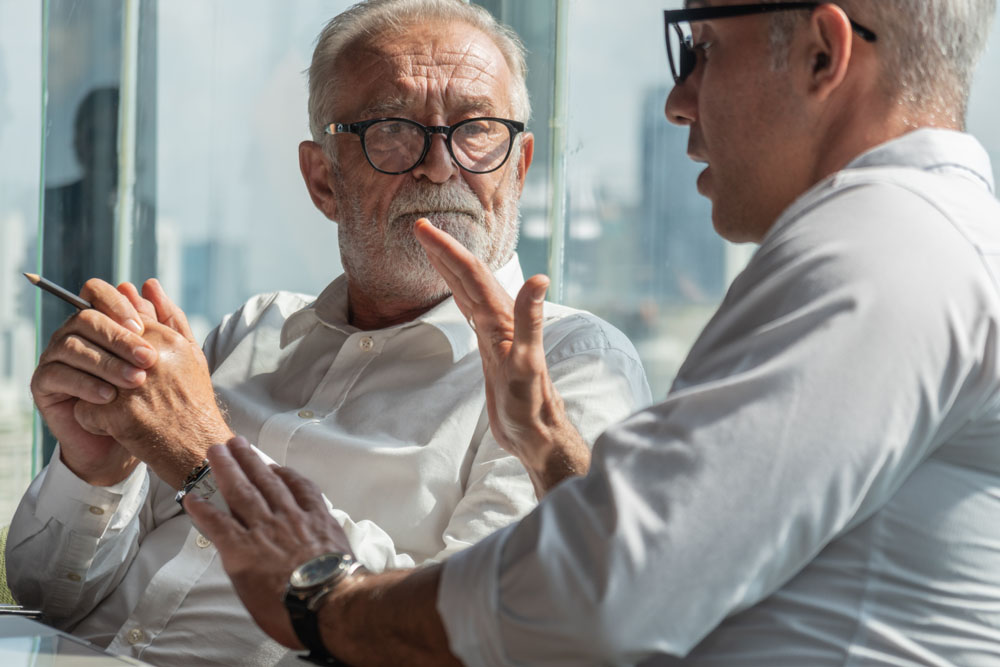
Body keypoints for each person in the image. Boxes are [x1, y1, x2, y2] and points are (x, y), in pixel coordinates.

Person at [187, 0, 1000, 664]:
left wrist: (324, 600)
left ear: (823, 54)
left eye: (703, 47)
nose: (681, 98)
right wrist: (547, 445)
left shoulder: (886, 248)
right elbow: (655, 552)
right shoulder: (902, 242)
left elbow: (607, 590)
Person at [3, 1, 650, 665]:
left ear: (518, 167)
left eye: (477, 128)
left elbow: (467, 633)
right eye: (394, 129)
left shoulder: (570, 365)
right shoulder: (255, 329)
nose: (439, 165)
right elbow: (45, 597)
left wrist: (203, 455)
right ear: (322, 179)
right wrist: (94, 468)